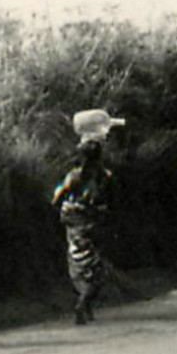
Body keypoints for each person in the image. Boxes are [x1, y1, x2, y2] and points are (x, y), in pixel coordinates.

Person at [52, 138, 116, 324]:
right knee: (97, 267)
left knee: (79, 264)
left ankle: (84, 302)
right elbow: (111, 201)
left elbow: (56, 198)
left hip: (74, 224)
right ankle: (85, 303)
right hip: (95, 223)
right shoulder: (105, 176)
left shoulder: (73, 176)